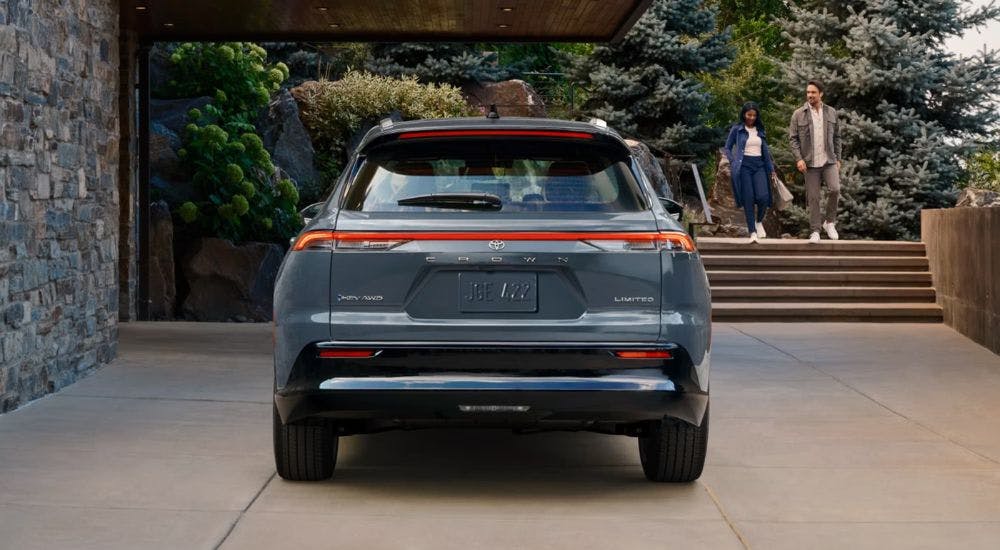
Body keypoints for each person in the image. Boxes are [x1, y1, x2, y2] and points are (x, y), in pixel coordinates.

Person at [789, 80, 842, 243]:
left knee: (835, 190)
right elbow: (793, 139)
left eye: (813, 92)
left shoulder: (831, 112)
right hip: (810, 163)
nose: (810, 95)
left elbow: (837, 137)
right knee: (813, 198)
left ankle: (829, 222)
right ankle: (815, 231)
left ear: (821, 94)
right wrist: (799, 159)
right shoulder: (798, 114)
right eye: (808, 92)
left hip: (829, 160)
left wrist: (838, 158)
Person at [724, 102, 775, 244]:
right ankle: (752, 231)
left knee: (764, 197)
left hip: (759, 166)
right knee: (749, 198)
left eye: (754, 115)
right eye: (749, 115)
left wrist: (771, 170)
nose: (751, 117)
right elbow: (727, 148)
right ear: (744, 114)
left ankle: (759, 222)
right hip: (744, 166)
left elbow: (765, 152)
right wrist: (733, 161)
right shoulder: (737, 129)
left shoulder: (760, 130)